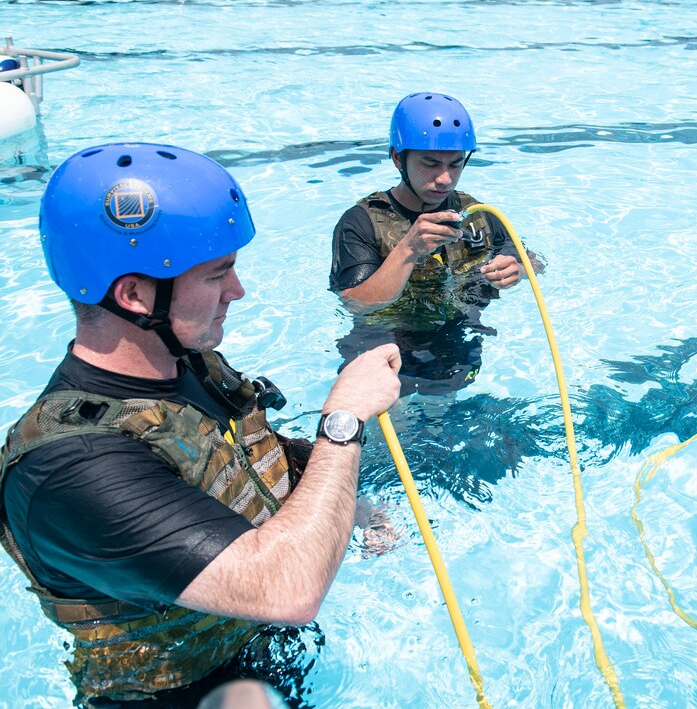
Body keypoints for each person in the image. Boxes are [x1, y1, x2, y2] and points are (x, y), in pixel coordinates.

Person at [0, 143, 402, 705]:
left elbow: (242, 454)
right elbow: (287, 591)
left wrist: (352, 510)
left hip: (256, 650)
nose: (237, 292)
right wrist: (344, 419)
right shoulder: (70, 468)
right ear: (135, 294)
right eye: (218, 274)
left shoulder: (189, 365)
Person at [329, 92, 535, 396]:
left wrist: (517, 268)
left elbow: (528, 256)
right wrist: (408, 249)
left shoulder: (475, 214)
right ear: (398, 157)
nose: (445, 179)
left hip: (457, 341)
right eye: (431, 164)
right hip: (384, 347)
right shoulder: (361, 222)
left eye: (455, 164)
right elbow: (356, 303)